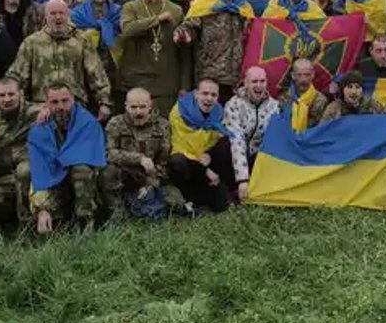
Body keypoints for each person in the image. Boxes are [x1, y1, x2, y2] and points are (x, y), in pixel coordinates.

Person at [7, 0, 112, 116]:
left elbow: (97, 73)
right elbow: (17, 77)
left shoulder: (82, 41)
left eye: (61, 13)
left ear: (68, 15)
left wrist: (104, 103)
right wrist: (20, 105)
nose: (57, 17)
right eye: (53, 13)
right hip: (41, 108)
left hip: (75, 106)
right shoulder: (32, 43)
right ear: (45, 17)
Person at [29, 82, 108, 234]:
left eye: (65, 101)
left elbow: (92, 161)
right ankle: (34, 223)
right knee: (24, 170)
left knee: (81, 169)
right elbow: (39, 168)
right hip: (53, 179)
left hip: (85, 181)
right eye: (54, 102)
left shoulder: (88, 123)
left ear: (73, 99)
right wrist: (42, 208)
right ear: (46, 104)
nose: (60, 106)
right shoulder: (39, 128)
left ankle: (85, 222)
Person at [102, 88, 188, 219]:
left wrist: (152, 180)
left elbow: (165, 159)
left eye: (142, 107)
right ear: (126, 106)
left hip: (154, 175)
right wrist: (138, 159)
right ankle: (117, 215)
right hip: (125, 174)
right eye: (133, 107)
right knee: (109, 171)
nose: (138, 112)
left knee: (177, 206)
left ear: (150, 106)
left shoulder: (162, 125)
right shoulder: (115, 124)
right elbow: (108, 153)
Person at [175, 0, 254, 103]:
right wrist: (183, 34)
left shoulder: (244, 6)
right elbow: (189, 26)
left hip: (235, 77)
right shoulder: (204, 1)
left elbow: (253, 35)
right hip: (210, 75)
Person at [117, 0, 185, 115]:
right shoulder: (131, 7)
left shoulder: (176, 10)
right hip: (137, 82)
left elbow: (184, 52)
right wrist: (157, 19)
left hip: (167, 84)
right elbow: (127, 29)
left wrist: (185, 84)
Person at [168, 80, 245, 212]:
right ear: (196, 94)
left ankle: (224, 192)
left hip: (208, 163)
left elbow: (220, 141)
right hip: (188, 164)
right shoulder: (179, 112)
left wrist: (209, 154)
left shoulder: (220, 113)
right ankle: (187, 198)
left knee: (226, 147)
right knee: (177, 162)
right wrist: (204, 170)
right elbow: (180, 147)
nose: (209, 99)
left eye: (213, 95)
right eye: (205, 94)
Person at [0, 77, 39, 224]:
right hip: (8, 175)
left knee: (24, 170)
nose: (7, 99)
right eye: (2, 95)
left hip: (36, 175)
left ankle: (27, 223)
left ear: (21, 93)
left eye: (11, 94)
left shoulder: (37, 113)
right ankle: (9, 220)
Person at [224, 66, 281, 184]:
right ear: (245, 83)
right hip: (232, 156)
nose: (259, 86)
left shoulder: (275, 107)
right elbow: (236, 140)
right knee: (222, 146)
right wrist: (242, 179)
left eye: (262, 81)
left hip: (257, 157)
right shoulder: (233, 104)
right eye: (254, 81)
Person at [280, 57, 330, 131]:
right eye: (299, 75)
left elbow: (322, 129)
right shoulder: (283, 99)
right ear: (293, 75)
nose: (303, 79)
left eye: (307, 75)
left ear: (313, 75)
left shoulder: (320, 101)